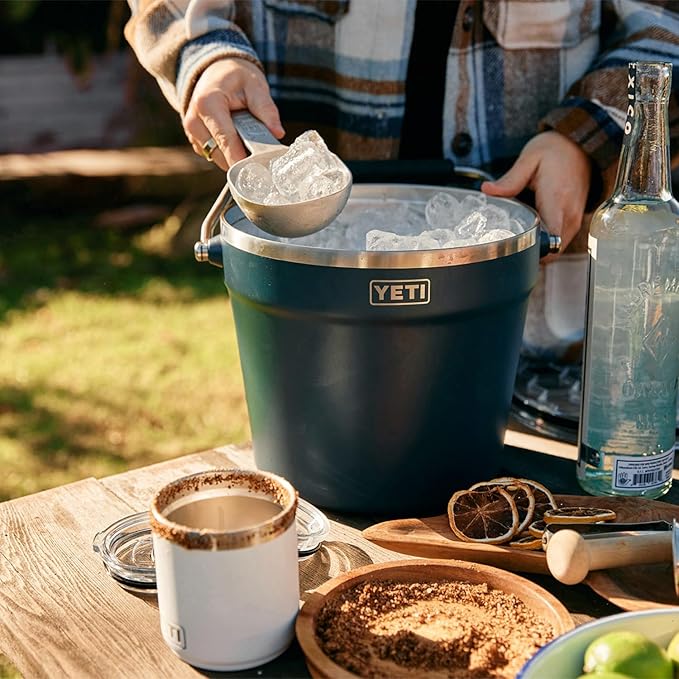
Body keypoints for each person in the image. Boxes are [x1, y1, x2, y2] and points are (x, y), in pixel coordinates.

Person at [124, 0, 679, 252]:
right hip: (312, 311)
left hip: (538, 331)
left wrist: (582, 138)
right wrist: (211, 55)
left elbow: (667, 23)